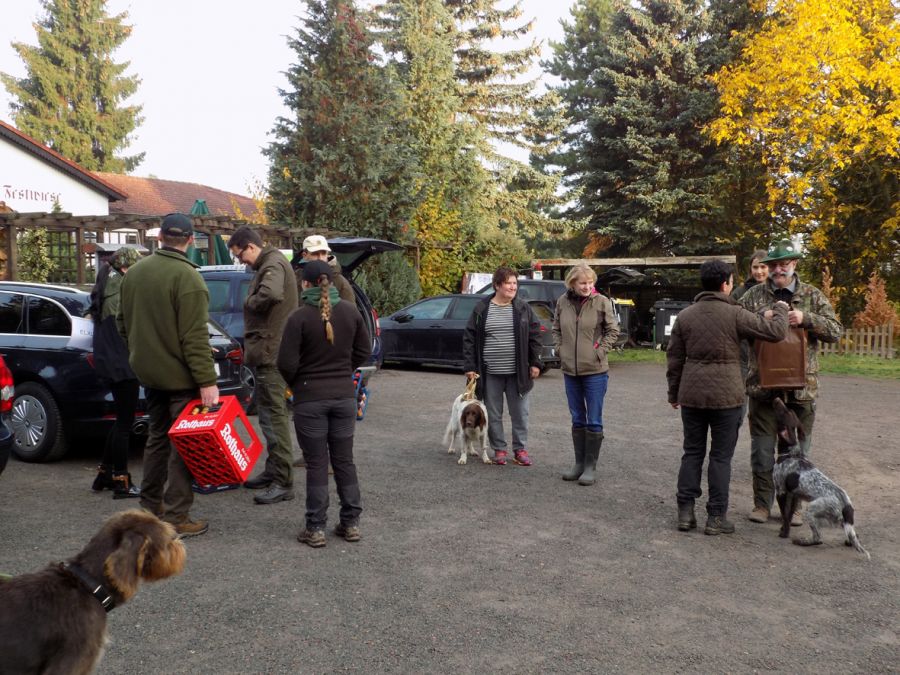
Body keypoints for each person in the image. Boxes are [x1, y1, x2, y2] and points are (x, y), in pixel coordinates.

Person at [667, 260, 789, 535]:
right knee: (721, 457)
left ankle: (685, 513)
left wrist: (674, 393)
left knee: (692, 452)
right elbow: (776, 332)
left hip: (692, 395)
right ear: (725, 284)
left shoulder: (685, 315)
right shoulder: (736, 314)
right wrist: (781, 308)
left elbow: (674, 358)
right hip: (728, 397)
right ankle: (716, 517)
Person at [117, 213, 219, 538]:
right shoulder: (188, 278)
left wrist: (144, 352)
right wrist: (207, 381)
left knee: (157, 438)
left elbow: (122, 323)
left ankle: (149, 508)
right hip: (180, 378)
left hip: (148, 373)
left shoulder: (134, 273)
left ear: (159, 236)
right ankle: (176, 516)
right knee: (185, 446)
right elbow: (195, 337)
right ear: (190, 240)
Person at [739, 240, 842, 524]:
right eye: (773, 265)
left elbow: (836, 331)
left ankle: (793, 509)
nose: (777, 270)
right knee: (762, 451)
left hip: (801, 391)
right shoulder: (754, 295)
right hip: (763, 389)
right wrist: (761, 317)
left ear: (794, 264)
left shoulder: (812, 295)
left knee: (797, 455)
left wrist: (806, 318)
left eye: (783, 264)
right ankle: (762, 505)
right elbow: (735, 324)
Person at [277, 260, 371, 548]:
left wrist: (299, 383)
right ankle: (351, 523)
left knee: (317, 463)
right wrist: (344, 371)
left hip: (310, 400)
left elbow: (286, 363)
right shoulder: (351, 312)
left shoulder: (298, 318)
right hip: (343, 397)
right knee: (344, 460)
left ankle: (315, 528)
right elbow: (364, 350)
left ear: (305, 284)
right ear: (331, 282)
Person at [227, 226, 298, 505]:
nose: (241, 261)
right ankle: (274, 471)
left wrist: (248, 302)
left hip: (272, 352)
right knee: (269, 415)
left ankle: (283, 481)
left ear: (251, 246)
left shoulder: (272, 263)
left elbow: (270, 294)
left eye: (240, 255)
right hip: (270, 350)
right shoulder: (271, 262)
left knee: (273, 416)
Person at [463, 267, 543, 467]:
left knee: (520, 414)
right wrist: (470, 366)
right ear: (497, 285)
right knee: (493, 414)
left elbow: (535, 336)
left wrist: (535, 362)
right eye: (508, 283)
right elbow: (469, 337)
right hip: (490, 373)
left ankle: (520, 450)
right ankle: (499, 449)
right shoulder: (482, 308)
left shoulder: (523, 308)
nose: (513, 287)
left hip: (518, 373)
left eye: (515, 283)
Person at [552, 263, 620, 486]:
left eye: (590, 283)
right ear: (572, 283)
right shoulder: (562, 302)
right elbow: (556, 329)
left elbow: (613, 330)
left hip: (595, 371)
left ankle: (590, 467)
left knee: (594, 419)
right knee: (577, 417)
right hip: (570, 370)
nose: (587, 287)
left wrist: (599, 352)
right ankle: (579, 464)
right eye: (583, 283)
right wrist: (560, 350)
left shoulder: (601, 302)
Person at [88, 247, 143, 499]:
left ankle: (104, 475)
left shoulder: (105, 287)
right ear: (124, 267)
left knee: (121, 420)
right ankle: (122, 482)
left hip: (108, 362)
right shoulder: (120, 293)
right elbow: (129, 331)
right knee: (125, 424)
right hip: (122, 364)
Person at [296, 235, 355, 303]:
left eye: (323, 253)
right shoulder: (297, 278)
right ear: (304, 255)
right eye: (315, 254)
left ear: (327, 254)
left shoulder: (339, 281)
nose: (320, 258)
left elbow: (350, 308)